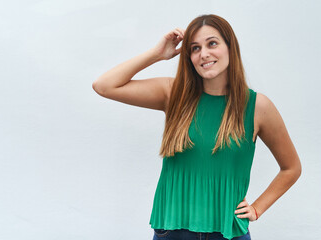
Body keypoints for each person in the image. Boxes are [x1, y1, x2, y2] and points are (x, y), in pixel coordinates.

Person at [92, 14, 301, 240]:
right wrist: (156, 54)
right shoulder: (174, 94)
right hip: (172, 231)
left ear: (230, 47)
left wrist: (258, 208)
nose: (204, 54)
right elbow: (104, 86)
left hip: (227, 232)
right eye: (194, 48)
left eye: (212, 43)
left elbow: (291, 168)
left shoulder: (257, 106)